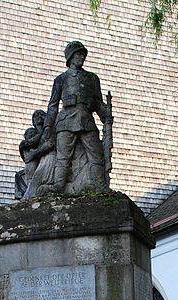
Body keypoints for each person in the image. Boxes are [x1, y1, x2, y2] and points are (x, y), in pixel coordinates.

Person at [43, 41, 111, 194]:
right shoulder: (61, 79)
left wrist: (105, 115)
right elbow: (52, 105)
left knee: (96, 154)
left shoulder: (92, 78)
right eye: (78, 54)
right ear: (70, 57)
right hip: (66, 120)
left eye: (83, 54)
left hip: (86, 119)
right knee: (63, 156)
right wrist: (48, 126)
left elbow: (98, 102)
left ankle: (101, 186)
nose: (82, 57)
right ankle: (58, 186)